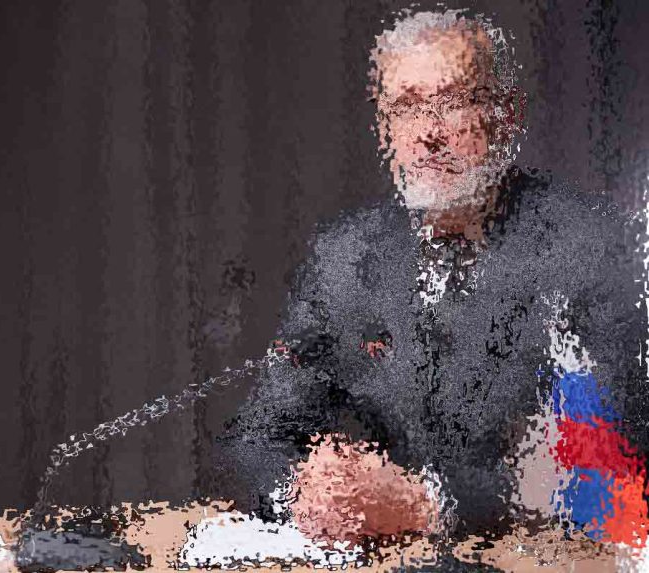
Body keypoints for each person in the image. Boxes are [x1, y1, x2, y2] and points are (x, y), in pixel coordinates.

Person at [219, 9, 649, 547]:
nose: (427, 134)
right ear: (385, 131)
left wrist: (430, 503)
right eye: (405, 107)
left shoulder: (592, 247)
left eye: (452, 102)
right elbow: (257, 436)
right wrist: (302, 490)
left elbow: (617, 456)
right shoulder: (345, 257)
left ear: (507, 115)